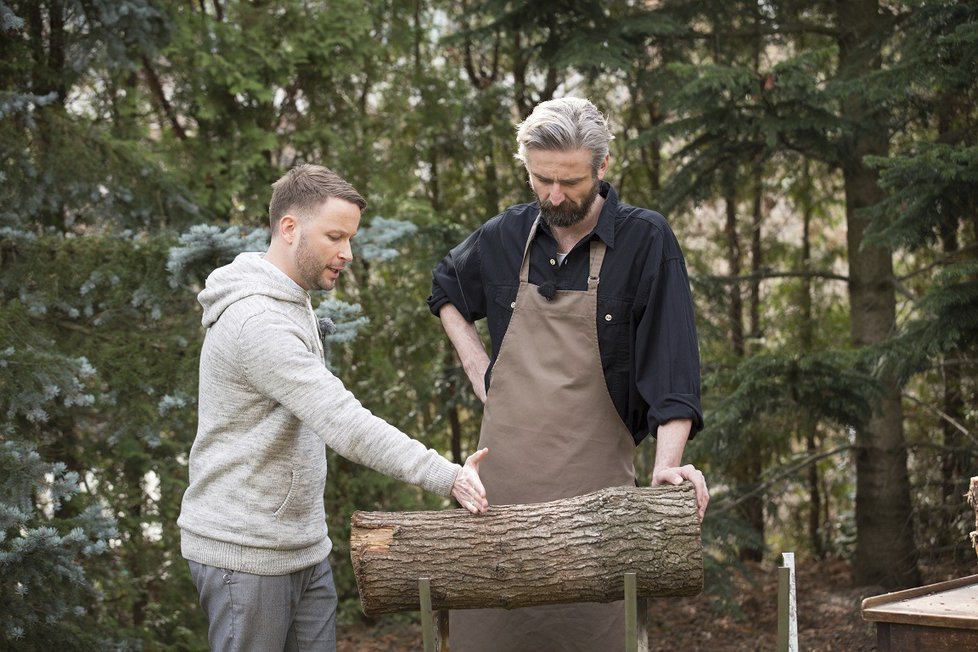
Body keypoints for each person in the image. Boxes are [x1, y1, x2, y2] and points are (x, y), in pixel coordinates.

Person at [428, 97, 709, 651]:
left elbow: (673, 369)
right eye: (541, 180)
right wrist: (481, 369)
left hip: (597, 509)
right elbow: (446, 289)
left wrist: (666, 470)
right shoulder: (506, 235)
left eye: (571, 181)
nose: (554, 196)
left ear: (603, 168)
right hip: (498, 505)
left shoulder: (646, 240)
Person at [177, 163, 489, 652]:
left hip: (301, 547)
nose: (347, 253)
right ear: (289, 228)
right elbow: (345, 424)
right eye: (335, 236)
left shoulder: (291, 300)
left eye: (351, 239)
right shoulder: (258, 322)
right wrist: (447, 475)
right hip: (246, 556)